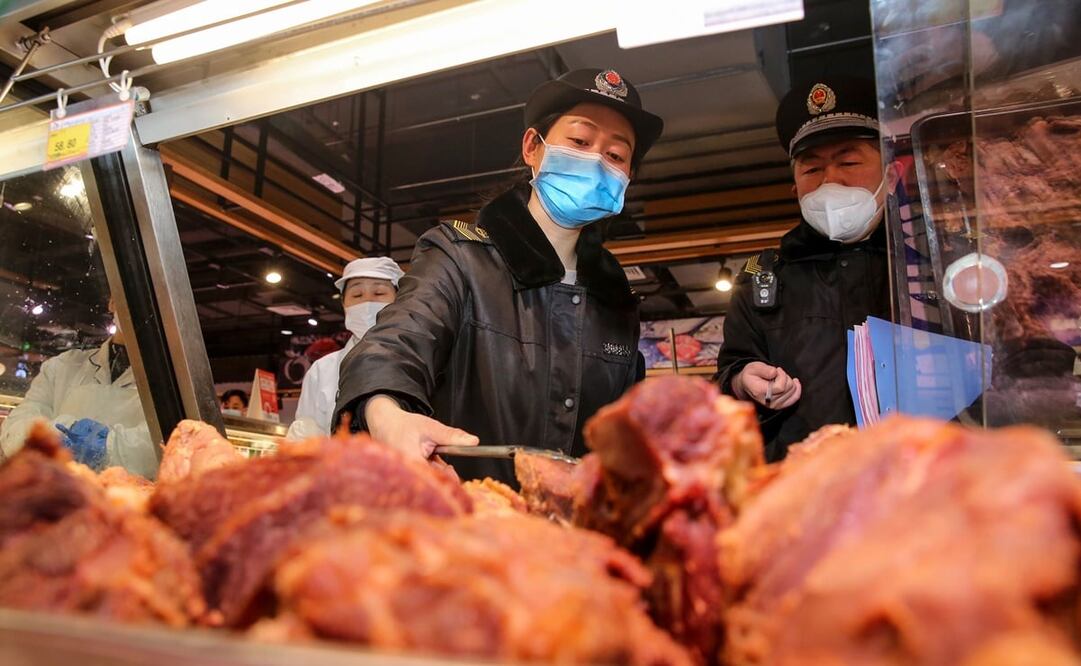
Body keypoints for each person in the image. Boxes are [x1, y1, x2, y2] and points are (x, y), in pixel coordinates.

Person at [335, 68, 664, 484]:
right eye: (579, 142)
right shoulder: (458, 256)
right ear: (533, 146)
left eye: (616, 156)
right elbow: (397, 342)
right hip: (466, 526)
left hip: (576, 537)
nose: (596, 161)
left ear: (627, 177)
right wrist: (388, 416)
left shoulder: (616, 297)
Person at [716, 77, 901, 462]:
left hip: (924, 491)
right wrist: (743, 380)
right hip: (801, 490)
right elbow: (731, 372)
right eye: (811, 169)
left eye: (849, 162)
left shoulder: (928, 264)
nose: (830, 180)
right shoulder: (762, 278)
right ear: (795, 187)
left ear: (893, 175)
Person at [0, 299, 157, 477]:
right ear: (112, 302)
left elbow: (170, 445)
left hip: (131, 499)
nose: (136, 312)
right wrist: (51, 439)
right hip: (56, 491)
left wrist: (111, 447)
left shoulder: (172, 380)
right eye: (126, 298)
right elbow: (18, 422)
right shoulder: (62, 366)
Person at [285, 257, 403, 440]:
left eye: (379, 293)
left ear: (400, 299)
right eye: (357, 295)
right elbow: (306, 436)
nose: (368, 302)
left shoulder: (422, 362)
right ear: (344, 304)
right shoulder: (322, 370)